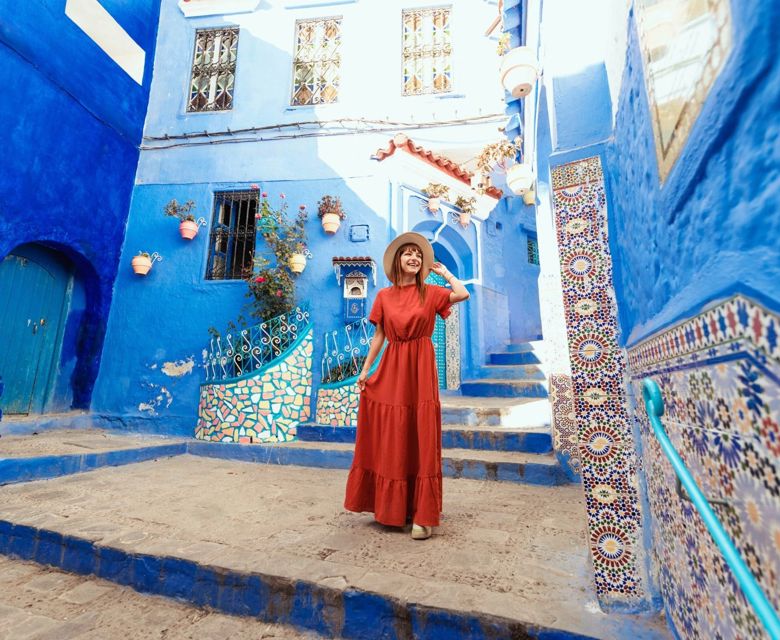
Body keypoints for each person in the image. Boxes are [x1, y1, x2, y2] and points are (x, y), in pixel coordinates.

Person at [343, 232, 470, 540]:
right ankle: (393, 508)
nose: (414, 258)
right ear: (397, 260)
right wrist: (365, 370)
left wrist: (445, 273)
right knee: (394, 431)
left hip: (421, 367)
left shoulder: (431, 292)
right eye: (408, 253)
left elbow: (462, 293)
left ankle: (423, 516)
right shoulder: (384, 296)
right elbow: (379, 336)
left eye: (418, 254)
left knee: (420, 432)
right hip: (392, 367)